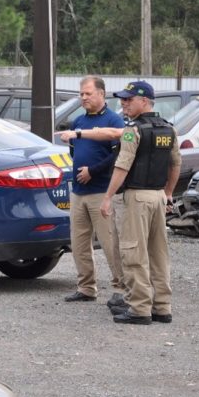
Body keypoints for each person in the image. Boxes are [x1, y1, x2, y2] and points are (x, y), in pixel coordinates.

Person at [76, 81, 181, 325]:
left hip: (136, 197)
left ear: (144, 102)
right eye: (123, 100)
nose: (123, 104)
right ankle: (162, 307)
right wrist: (168, 193)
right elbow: (175, 164)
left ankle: (139, 309)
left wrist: (107, 197)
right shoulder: (168, 129)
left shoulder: (133, 130)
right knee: (158, 254)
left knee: (133, 252)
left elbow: (122, 166)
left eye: (129, 100)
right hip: (157, 196)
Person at [60, 76, 126, 304]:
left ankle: (121, 289)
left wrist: (93, 171)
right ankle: (86, 287)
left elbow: (117, 155)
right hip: (78, 192)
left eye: (88, 93)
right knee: (79, 243)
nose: (84, 98)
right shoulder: (77, 122)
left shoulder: (114, 121)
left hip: (101, 190)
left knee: (110, 243)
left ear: (101, 93)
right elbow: (73, 152)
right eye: (81, 94)